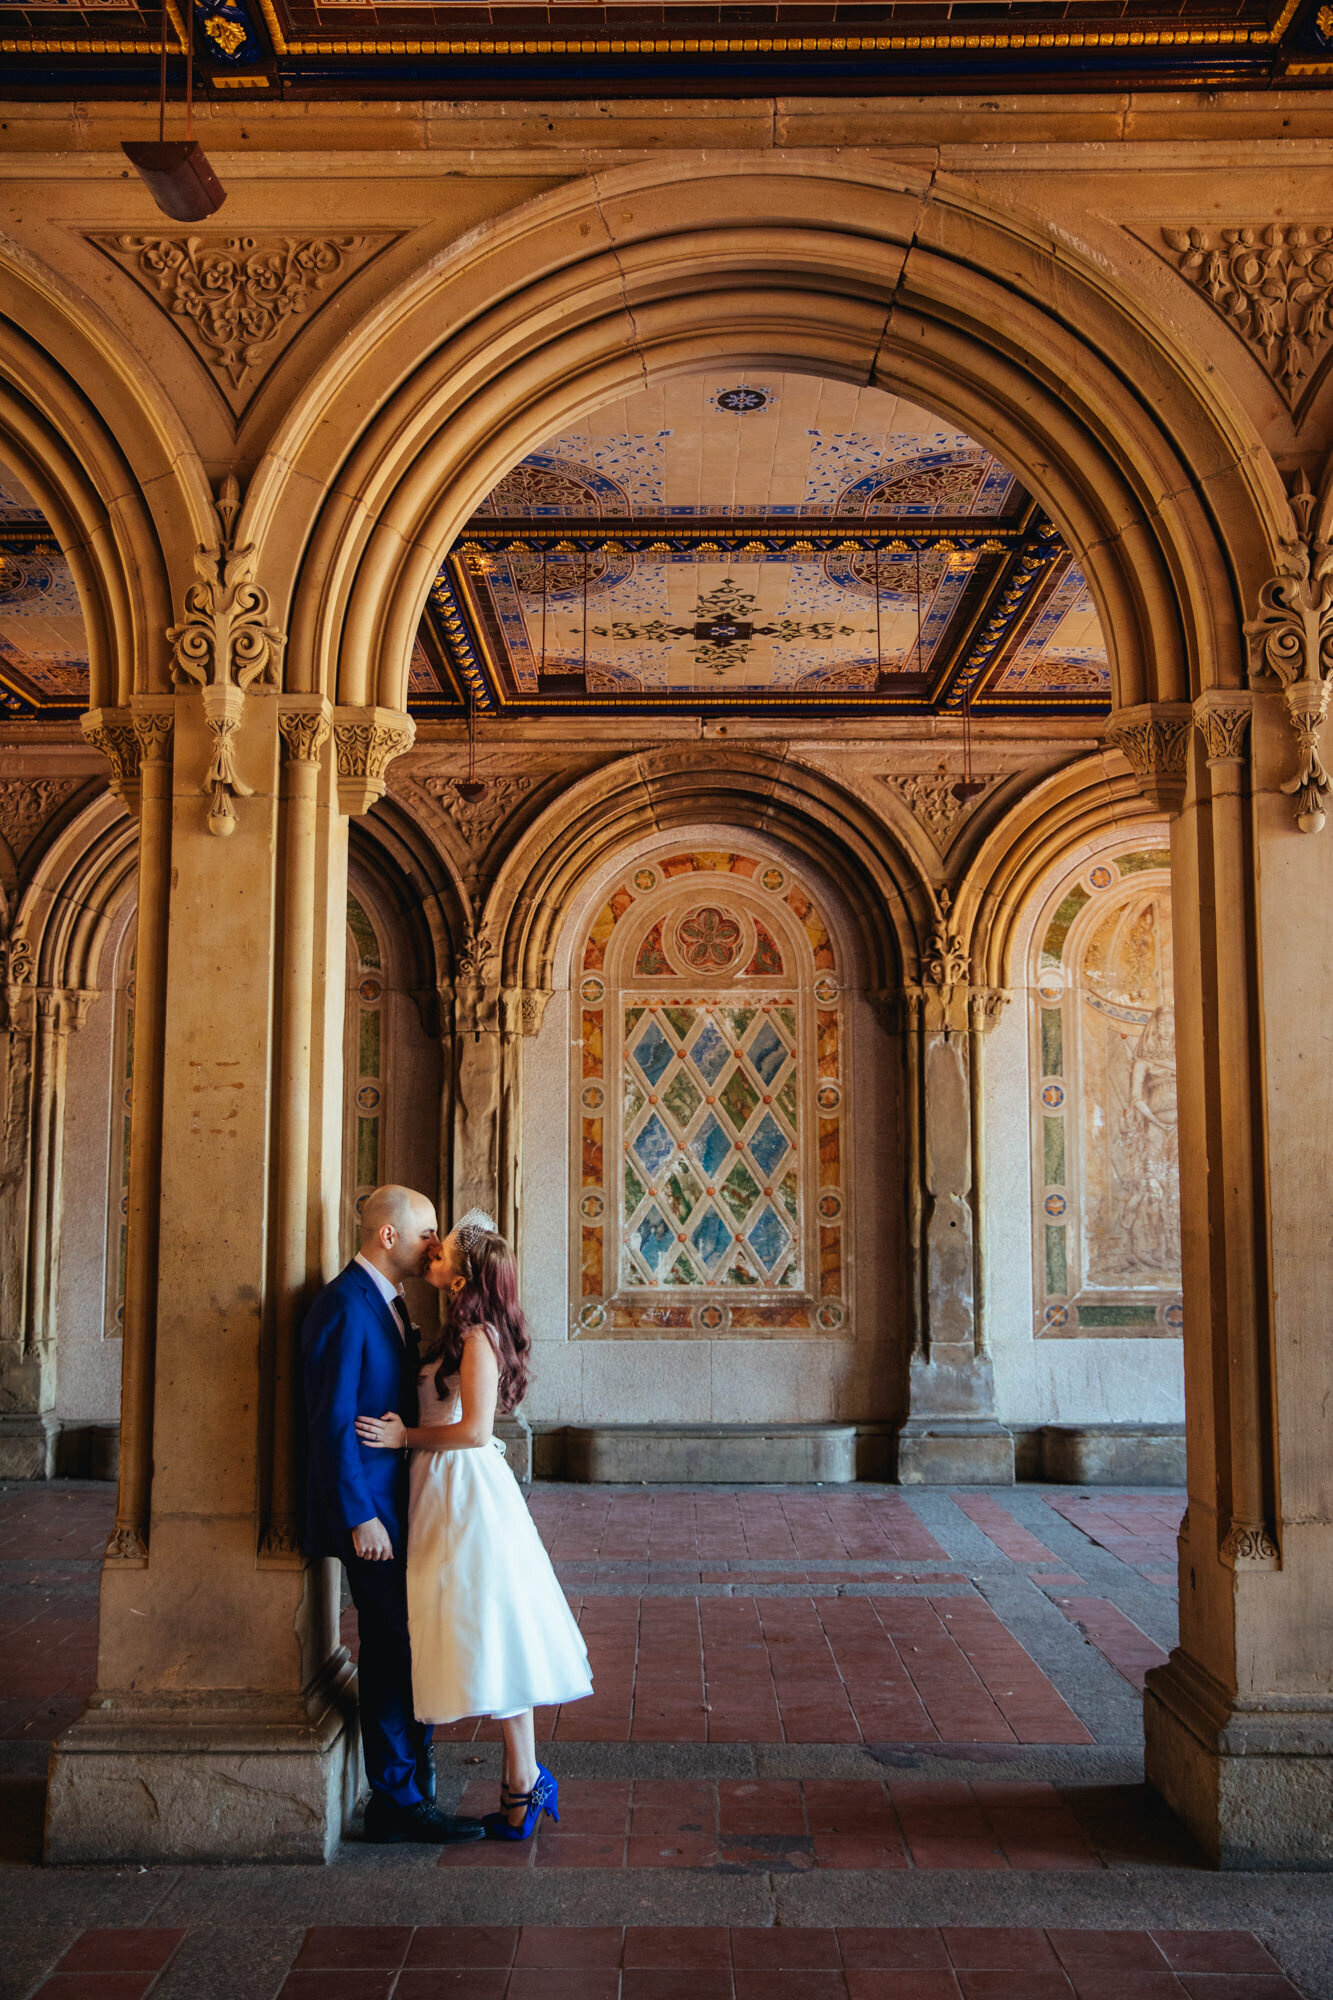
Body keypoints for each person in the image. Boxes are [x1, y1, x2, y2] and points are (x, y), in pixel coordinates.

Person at [356, 1214, 593, 1839]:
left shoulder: (479, 1337)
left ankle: (524, 1780)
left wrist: (404, 1435)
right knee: (480, 1627)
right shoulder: (454, 1327)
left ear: (459, 1276)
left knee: (488, 1624)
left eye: (442, 1251)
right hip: (436, 1485)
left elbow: (476, 1430)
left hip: (463, 1490)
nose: (431, 1252)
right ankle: (524, 1780)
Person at [301, 1184, 486, 1847]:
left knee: (406, 1642)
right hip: (372, 1517)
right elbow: (328, 1426)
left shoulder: (388, 1302)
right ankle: (397, 1799)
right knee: (391, 1647)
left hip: (399, 1506)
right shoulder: (345, 1306)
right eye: (425, 1231)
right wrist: (360, 1518)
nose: (432, 1243)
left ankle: (411, 1777)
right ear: (388, 1236)